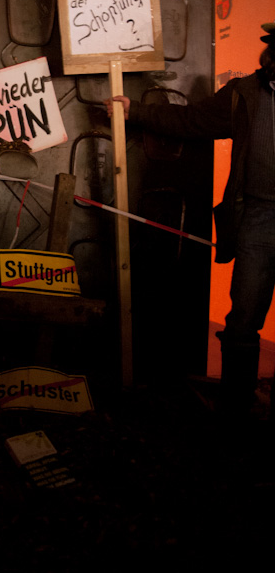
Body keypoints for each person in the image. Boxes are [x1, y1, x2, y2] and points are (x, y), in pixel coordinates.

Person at [105, 23, 275, 415]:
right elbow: (192, 121)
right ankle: (236, 409)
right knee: (243, 319)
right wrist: (136, 112)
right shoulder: (246, 93)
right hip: (259, 217)